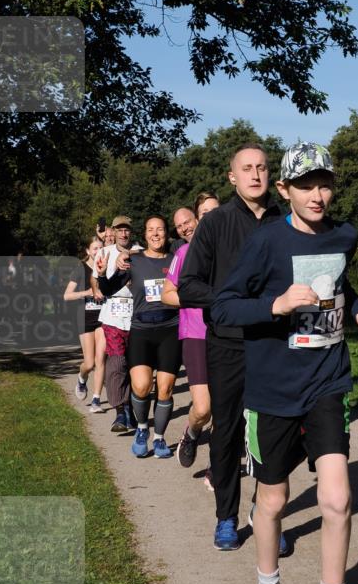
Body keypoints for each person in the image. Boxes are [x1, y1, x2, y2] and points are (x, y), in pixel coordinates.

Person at [212, 142, 358, 584]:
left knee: (338, 499)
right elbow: (224, 308)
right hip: (271, 392)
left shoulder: (344, 235)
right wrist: (277, 303)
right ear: (284, 190)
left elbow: (341, 284)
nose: (318, 194)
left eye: (325, 182)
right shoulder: (266, 243)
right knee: (273, 500)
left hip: (329, 382)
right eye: (306, 185)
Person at [177, 144, 283, 551]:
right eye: (247, 168)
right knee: (228, 433)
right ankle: (226, 516)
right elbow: (189, 285)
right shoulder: (216, 223)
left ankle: (267, 513)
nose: (255, 175)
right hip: (229, 344)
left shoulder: (285, 221)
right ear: (232, 177)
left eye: (262, 168)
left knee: (275, 434)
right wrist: (230, 299)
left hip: (276, 342)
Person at [98, 215, 179, 458]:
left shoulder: (177, 260)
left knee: (165, 389)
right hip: (141, 330)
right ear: (144, 235)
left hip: (170, 329)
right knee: (142, 386)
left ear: (166, 233)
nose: (156, 234)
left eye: (160, 230)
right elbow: (108, 289)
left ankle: (161, 438)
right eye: (151, 230)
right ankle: (142, 428)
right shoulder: (134, 260)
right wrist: (102, 274)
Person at [161, 192, 221, 479]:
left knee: (224, 408)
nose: (185, 227)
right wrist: (200, 298)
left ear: (199, 221)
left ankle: (217, 466)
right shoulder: (183, 255)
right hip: (195, 333)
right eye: (179, 225)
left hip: (226, 333)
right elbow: (167, 296)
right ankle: (193, 431)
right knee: (203, 408)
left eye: (189, 221)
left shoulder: (226, 249)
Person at [92, 216, 137, 434]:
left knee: (132, 366)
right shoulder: (104, 253)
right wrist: (96, 285)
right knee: (117, 362)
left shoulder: (141, 252)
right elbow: (95, 277)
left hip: (136, 316)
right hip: (112, 316)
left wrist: (129, 256)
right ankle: (120, 410)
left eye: (127, 230)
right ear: (113, 232)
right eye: (119, 230)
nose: (123, 234)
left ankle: (130, 408)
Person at [64, 237, 107, 412]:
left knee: (100, 358)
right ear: (88, 251)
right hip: (85, 318)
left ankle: (96, 399)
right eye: (95, 248)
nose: (98, 251)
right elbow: (67, 295)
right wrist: (87, 293)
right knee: (89, 364)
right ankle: (82, 379)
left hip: (103, 317)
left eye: (101, 248)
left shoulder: (107, 268)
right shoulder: (80, 269)